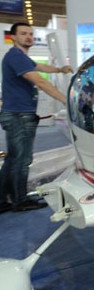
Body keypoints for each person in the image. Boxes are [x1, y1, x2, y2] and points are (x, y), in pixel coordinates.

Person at [0, 22, 73, 213]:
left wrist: (60, 69)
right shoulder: (16, 57)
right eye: (23, 34)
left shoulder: (20, 57)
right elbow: (40, 81)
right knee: (21, 160)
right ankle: (19, 200)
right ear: (13, 37)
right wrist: (66, 101)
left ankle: (3, 199)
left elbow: (40, 67)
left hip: (17, 114)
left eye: (31, 34)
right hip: (19, 115)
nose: (29, 37)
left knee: (13, 159)